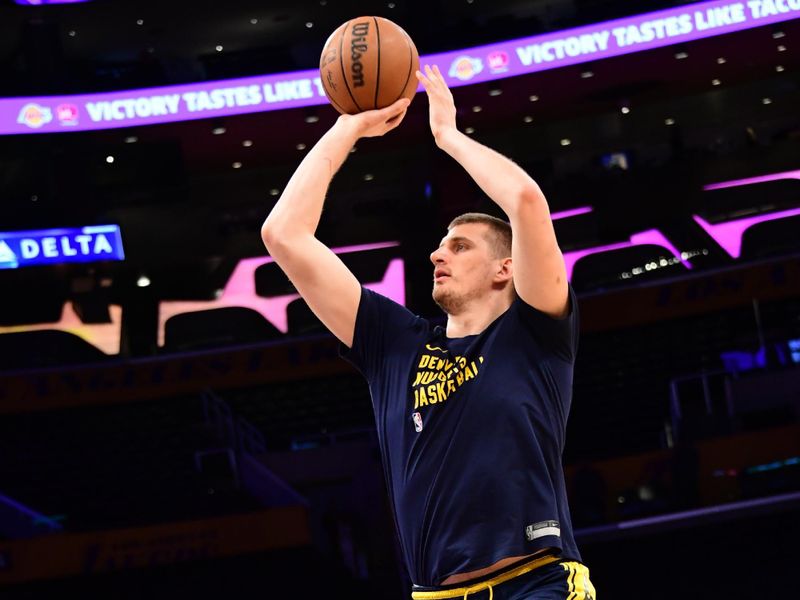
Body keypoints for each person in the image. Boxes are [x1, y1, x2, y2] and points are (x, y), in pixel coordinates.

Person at [261, 64, 595, 600]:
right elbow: (283, 234)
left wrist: (449, 138)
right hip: (432, 594)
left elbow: (527, 202)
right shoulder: (394, 344)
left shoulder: (536, 333)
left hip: (534, 583)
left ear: (504, 269)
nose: (438, 252)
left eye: (460, 245)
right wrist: (351, 126)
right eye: (440, 244)